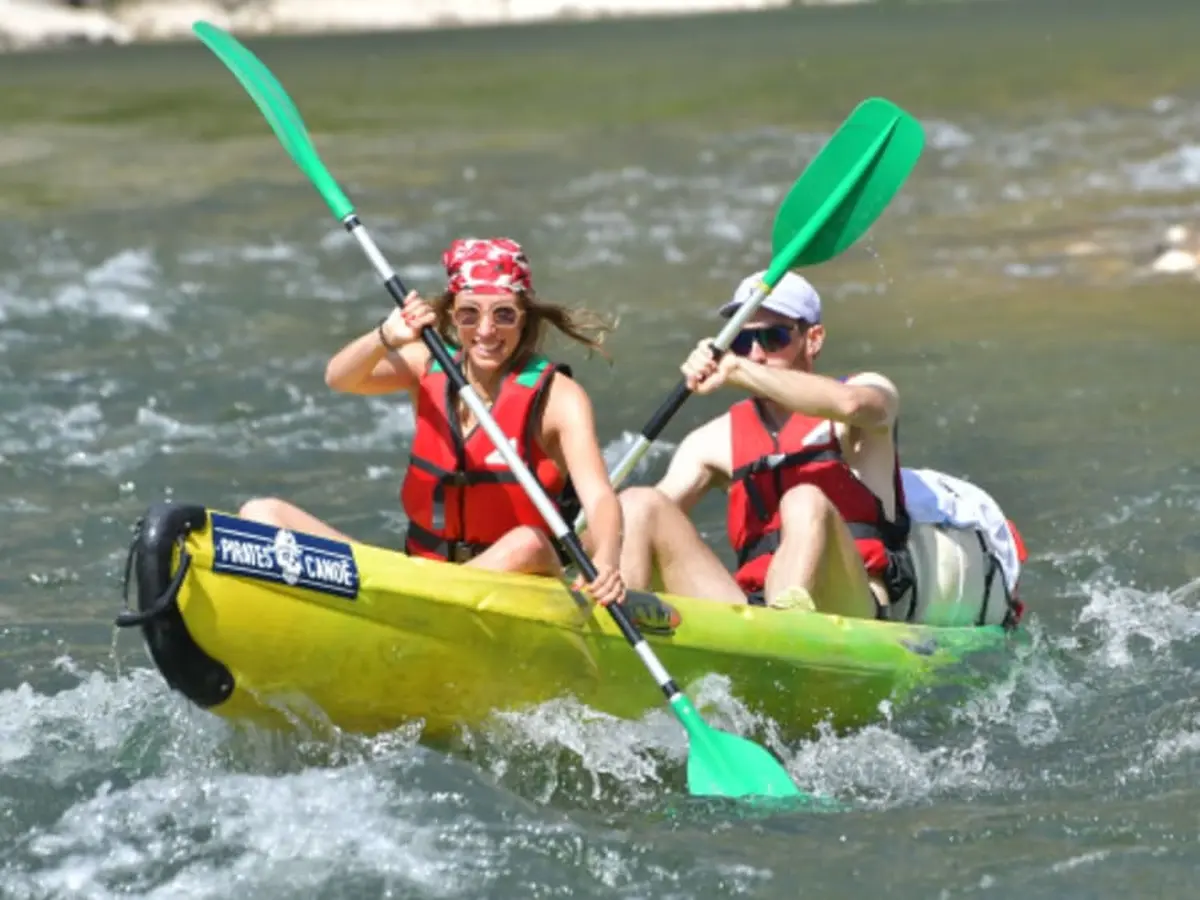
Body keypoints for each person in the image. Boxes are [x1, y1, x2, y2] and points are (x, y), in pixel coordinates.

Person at [238, 236, 626, 608]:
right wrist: (384, 337)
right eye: (469, 314)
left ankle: (401, 610)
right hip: (420, 577)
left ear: (525, 320)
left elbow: (599, 497)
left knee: (528, 542)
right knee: (262, 514)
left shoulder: (559, 398)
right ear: (452, 316)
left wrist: (606, 560)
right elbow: (339, 377)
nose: (486, 331)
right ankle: (394, 608)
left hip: (521, 586)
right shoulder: (427, 365)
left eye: (504, 314)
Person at [614, 269, 917, 621]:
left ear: (814, 338)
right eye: (742, 342)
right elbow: (631, 527)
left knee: (804, 499)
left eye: (773, 338)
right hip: (751, 610)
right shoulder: (713, 441)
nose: (755, 354)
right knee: (638, 504)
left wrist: (737, 370)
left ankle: (784, 622)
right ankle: (618, 628)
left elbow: (851, 404)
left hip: (853, 605)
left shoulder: (862, 399)